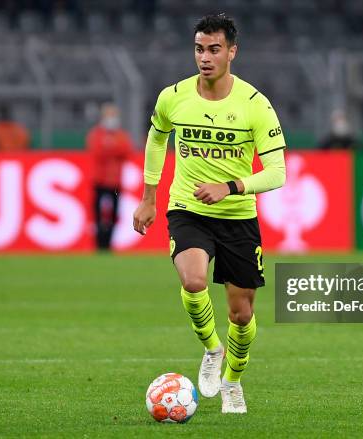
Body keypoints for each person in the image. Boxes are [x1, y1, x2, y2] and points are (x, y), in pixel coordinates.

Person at [132, 13, 286, 414]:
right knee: (194, 278)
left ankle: (233, 381)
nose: (205, 57)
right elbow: (156, 138)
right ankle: (212, 349)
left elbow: (277, 173)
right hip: (188, 208)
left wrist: (231, 187)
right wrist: (149, 197)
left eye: (214, 49)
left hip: (237, 215)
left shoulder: (255, 105)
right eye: (200, 48)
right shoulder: (174, 96)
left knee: (242, 311)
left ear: (232, 52)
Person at [87, 103, 134, 251]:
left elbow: (126, 151)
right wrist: (113, 148)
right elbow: (97, 151)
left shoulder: (120, 135)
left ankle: (108, 243)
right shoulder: (97, 134)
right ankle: (99, 244)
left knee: (113, 215)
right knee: (98, 215)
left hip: (115, 182)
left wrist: (110, 147)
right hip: (99, 181)